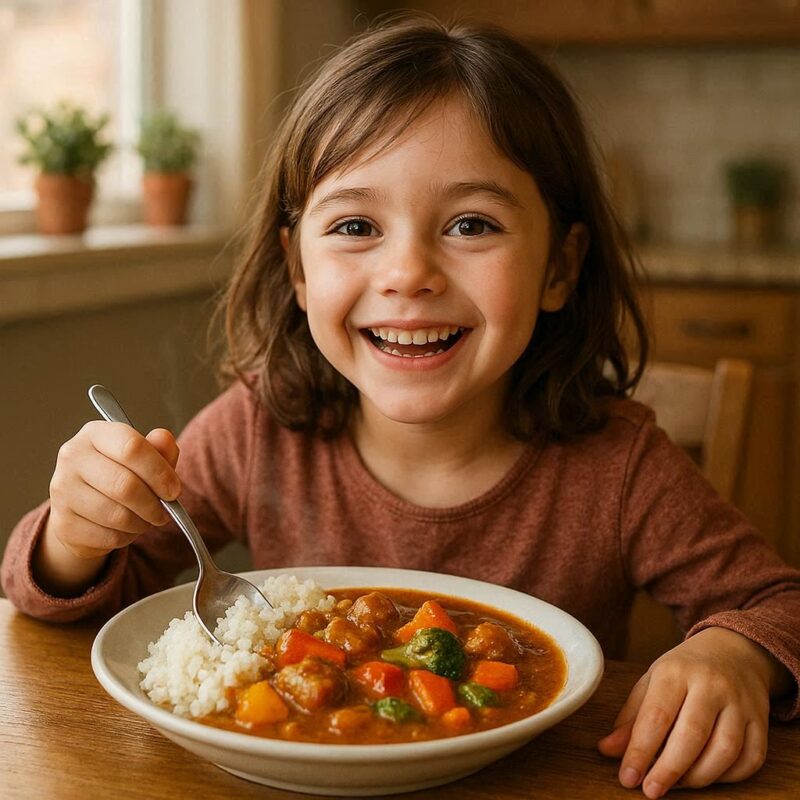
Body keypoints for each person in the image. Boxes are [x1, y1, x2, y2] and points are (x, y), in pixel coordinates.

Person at [3, 14, 798, 799]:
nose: (408, 272)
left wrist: (734, 656)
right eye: (355, 225)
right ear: (300, 270)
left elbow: (775, 603)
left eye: (470, 224)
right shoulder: (258, 428)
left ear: (560, 266)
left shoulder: (619, 464)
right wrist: (75, 538)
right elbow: (84, 595)